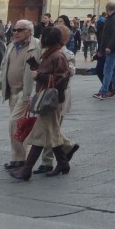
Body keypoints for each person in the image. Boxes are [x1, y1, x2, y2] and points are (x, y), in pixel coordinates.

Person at [10, 24, 72, 180]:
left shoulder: (57, 56)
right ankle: (63, 163)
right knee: (54, 134)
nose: (41, 40)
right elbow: (48, 72)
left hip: (51, 101)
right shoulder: (50, 54)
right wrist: (35, 67)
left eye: (43, 37)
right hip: (47, 100)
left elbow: (61, 79)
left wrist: (39, 76)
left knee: (38, 135)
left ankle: (27, 170)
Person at [0, 20, 40, 171]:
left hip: (26, 92)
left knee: (14, 123)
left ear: (29, 31)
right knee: (20, 125)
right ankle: (21, 156)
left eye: (20, 30)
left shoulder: (37, 45)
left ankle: (19, 158)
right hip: (11, 91)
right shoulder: (11, 46)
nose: (16, 33)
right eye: (14, 30)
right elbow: (3, 68)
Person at [93, 1, 115, 99]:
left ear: (107, 9)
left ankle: (103, 92)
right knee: (114, 70)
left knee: (107, 70)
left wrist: (109, 46)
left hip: (112, 48)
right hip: (112, 48)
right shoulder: (114, 18)